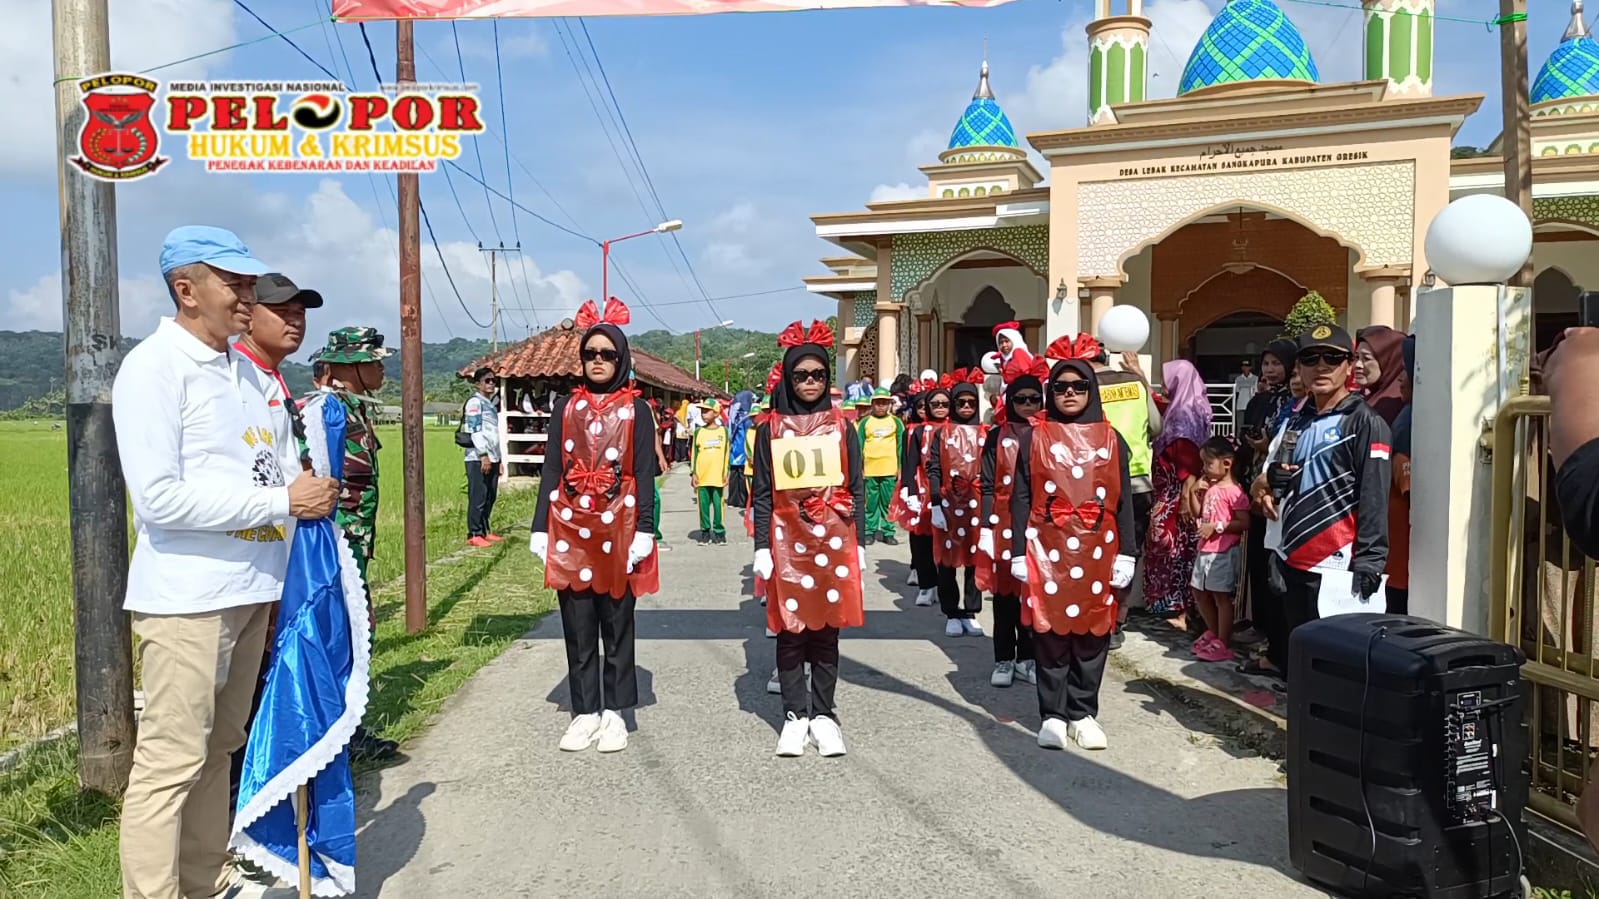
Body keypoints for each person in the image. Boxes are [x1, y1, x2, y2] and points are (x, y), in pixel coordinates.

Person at [115, 226, 339, 899]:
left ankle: (204, 878)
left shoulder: (247, 373)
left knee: (220, 748)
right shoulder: (155, 368)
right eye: (233, 283)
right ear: (186, 290)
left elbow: (276, 469)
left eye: (248, 283)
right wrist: (282, 500)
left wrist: (309, 494)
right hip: (189, 598)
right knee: (171, 760)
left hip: (252, 590)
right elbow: (158, 498)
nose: (247, 296)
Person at [529, 298, 659, 753]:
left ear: (621, 359)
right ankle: (585, 711)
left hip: (620, 525)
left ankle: (616, 712)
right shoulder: (566, 408)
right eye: (590, 353)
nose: (598, 361)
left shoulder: (637, 410)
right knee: (578, 623)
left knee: (617, 623)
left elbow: (644, 473)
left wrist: (645, 529)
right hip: (570, 525)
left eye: (607, 354)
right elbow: (551, 468)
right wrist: (540, 527)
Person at [1010, 356, 1137, 750]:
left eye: (1078, 386)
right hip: (1046, 550)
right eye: (1061, 386)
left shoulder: (1113, 439)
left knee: (1092, 634)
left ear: (1091, 391)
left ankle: (1082, 713)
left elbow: (1124, 500)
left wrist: (1128, 552)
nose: (1069, 393)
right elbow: (1021, 497)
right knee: (1048, 632)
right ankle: (1052, 714)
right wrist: (1017, 551)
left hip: (1098, 550)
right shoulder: (1033, 437)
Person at [751, 319, 865, 757]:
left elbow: (855, 486)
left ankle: (824, 715)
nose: (810, 382)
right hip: (787, 540)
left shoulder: (843, 426)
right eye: (801, 375)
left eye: (818, 374)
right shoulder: (770, 429)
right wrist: (762, 547)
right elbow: (764, 493)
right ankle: (795, 715)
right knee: (790, 630)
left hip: (833, 538)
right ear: (788, 378)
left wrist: (858, 543)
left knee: (827, 630)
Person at [1254, 325, 1391, 681]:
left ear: (1349, 365)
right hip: (1293, 561)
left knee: (1338, 671)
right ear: (1298, 367)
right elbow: (1270, 479)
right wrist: (1269, 486)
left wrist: (1371, 560)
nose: (1321, 366)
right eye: (1310, 358)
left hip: (1339, 568)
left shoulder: (1365, 421)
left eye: (1332, 358)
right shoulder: (1297, 419)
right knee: (1303, 666)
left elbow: (1374, 495)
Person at [300, 327, 402, 762]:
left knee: (354, 631)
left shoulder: (354, 408)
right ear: (350, 366)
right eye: (374, 361)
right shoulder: (326, 410)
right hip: (334, 541)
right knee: (340, 633)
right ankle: (336, 731)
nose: (382, 368)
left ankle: (346, 728)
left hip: (354, 542)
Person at [1087, 339, 1163, 650]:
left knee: (1095, 550)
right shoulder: (1134, 383)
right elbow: (1156, 426)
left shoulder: (1082, 386)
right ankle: (1117, 623)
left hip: (1095, 483)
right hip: (1137, 480)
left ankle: (1094, 616)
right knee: (1128, 552)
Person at [978, 360, 1048, 687]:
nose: (1028, 405)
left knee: (1032, 595)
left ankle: (1028, 658)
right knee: (1005, 595)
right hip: (1004, 523)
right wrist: (985, 527)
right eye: (1021, 399)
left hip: (1039, 524)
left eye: (1034, 399)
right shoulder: (996, 436)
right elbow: (986, 484)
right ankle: (1004, 658)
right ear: (1010, 401)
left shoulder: (1048, 435)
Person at [1234, 340, 1299, 679]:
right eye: (1267, 363)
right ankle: (1263, 631)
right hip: (1256, 489)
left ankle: (1278, 646)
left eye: (1277, 363)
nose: (1270, 370)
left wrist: (1266, 445)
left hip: (1280, 496)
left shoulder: (1294, 403)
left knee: (1276, 572)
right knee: (1259, 566)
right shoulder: (1262, 399)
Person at [1142, 359, 1212, 630]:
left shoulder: (1182, 418)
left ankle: (1177, 608)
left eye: (1168, 381)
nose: (1165, 386)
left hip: (1176, 495)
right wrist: (1138, 375)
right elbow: (1158, 404)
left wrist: (1184, 499)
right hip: (1173, 492)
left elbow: (1188, 464)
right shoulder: (1186, 408)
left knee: (1173, 550)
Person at [927, 376, 988, 637]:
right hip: (948, 502)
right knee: (947, 561)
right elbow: (933, 468)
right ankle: (951, 612)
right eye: (960, 402)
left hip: (977, 504)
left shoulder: (986, 433)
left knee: (975, 558)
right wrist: (935, 504)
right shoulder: (942, 433)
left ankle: (971, 611)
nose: (966, 407)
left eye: (971, 402)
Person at [1189, 437, 1251, 663]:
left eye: (1208, 463)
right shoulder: (1211, 488)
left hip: (1223, 551)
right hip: (1205, 549)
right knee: (1198, 591)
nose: (1204, 468)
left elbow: (1244, 522)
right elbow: (1197, 513)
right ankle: (1213, 632)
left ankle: (1223, 640)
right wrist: (1193, 493)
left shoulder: (1234, 492)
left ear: (1226, 463)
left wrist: (1217, 526)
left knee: (1220, 596)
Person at [894, 391, 941, 605]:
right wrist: (909, 487)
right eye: (921, 406)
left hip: (945, 490)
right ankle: (923, 578)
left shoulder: (951, 429)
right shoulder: (913, 431)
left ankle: (942, 585)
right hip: (921, 487)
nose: (924, 410)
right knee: (920, 534)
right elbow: (908, 461)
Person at [1385, 336, 1415, 614]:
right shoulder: (1407, 415)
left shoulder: (1409, 420)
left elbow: (1407, 485)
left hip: (1403, 544)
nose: (1400, 380)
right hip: (1398, 545)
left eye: (1406, 371)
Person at [859, 387, 904, 546]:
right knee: (870, 503)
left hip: (889, 469)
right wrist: (860, 468)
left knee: (887, 503)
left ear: (889, 404)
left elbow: (901, 446)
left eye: (884, 403)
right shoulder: (865, 422)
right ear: (872, 404)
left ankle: (888, 532)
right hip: (870, 470)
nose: (880, 406)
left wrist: (900, 467)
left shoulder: (896, 422)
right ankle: (869, 531)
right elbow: (859, 446)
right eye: (877, 403)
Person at [463, 366, 503, 546]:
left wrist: (498, 459)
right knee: (478, 496)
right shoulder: (475, 403)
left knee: (490, 495)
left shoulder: (490, 404)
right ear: (477, 384)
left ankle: (485, 530)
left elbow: (493, 434)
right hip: (477, 457)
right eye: (487, 380)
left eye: (493, 380)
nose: (491, 383)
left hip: (493, 456)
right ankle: (474, 533)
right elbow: (475, 430)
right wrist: (483, 455)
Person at [691, 399, 731, 545]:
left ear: (716, 413)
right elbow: (694, 454)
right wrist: (693, 473)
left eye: (706, 411)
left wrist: (726, 472)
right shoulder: (698, 432)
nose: (703, 414)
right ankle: (705, 532)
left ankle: (719, 532)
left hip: (717, 476)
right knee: (703, 506)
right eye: (702, 411)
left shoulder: (723, 431)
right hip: (702, 476)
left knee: (718, 506)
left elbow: (727, 453)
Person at [1354, 325, 1407, 425]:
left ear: (1389, 362)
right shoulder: (1366, 398)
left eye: (1367, 358)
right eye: (1357, 357)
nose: (1358, 365)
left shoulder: (1391, 408)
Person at [726, 389, 755, 508]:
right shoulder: (748, 418)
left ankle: (733, 500)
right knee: (743, 476)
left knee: (734, 475)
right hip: (744, 450)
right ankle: (743, 501)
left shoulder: (733, 416)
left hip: (734, 449)